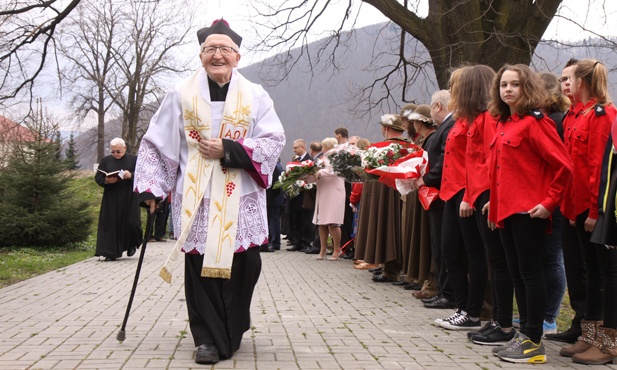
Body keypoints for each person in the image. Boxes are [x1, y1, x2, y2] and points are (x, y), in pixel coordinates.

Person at [133, 19, 285, 365]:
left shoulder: (256, 95)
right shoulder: (181, 94)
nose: (217, 55)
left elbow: (273, 140)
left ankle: (232, 328)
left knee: (245, 266)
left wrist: (230, 150)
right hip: (196, 197)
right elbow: (158, 143)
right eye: (210, 49)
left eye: (224, 49)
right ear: (201, 55)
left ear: (237, 56)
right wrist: (152, 188)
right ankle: (206, 339)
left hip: (240, 194)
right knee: (200, 267)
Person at [486, 64, 572, 364]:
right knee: (518, 276)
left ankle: (535, 341)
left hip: (529, 211)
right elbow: (501, 172)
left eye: (515, 85)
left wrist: (549, 203)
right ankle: (524, 336)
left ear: (528, 88)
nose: (508, 89)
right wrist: (493, 205)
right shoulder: (504, 124)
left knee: (531, 274)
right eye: (503, 85)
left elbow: (564, 166)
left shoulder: (537, 123)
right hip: (507, 211)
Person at [558, 59, 617, 365]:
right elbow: (572, 167)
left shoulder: (602, 114)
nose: (565, 84)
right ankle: (590, 334)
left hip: (596, 209)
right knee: (591, 273)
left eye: (569, 79)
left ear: (581, 82)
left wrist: (594, 211)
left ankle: (610, 343)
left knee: (607, 274)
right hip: (577, 207)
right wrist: (571, 208)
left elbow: (599, 168)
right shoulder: (575, 115)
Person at [545, 58, 588, 345]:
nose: (566, 84)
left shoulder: (571, 118)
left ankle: (556, 317)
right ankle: (580, 323)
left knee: (563, 261)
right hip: (566, 201)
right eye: (562, 80)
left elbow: (586, 166)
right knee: (571, 264)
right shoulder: (569, 117)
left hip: (577, 202)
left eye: (570, 79)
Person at [413, 89, 456, 309]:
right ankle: (443, 289)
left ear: (437, 106)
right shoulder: (444, 128)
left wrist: (425, 179)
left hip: (440, 194)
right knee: (439, 245)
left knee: (443, 246)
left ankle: (448, 292)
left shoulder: (448, 127)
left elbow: (443, 162)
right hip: (437, 196)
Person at [94, 138, 142, 261]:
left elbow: (142, 174)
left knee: (132, 222)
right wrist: (106, 180)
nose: (115, 154)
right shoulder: (106, 161)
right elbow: (98, 177)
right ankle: (110, 253)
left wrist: (130, 175)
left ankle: (131, 243)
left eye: (118, 151)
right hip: (111, 198)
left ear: (124, 148)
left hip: (129, 197)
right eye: (113, 152)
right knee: (110, 225)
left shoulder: (134, 159)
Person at [307, 137, 346, 260]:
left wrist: (320, 172)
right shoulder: (321, 159)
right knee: (322, 223)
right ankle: (323, 249)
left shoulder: (338, 158)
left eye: (324, 146)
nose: (322, 149)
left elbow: (334, 171)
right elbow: (316, 175)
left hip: (334, 192)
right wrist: (305, 177)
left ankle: (337, 249)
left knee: (333, 222)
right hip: (323, 192)